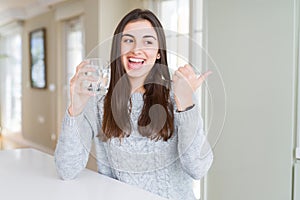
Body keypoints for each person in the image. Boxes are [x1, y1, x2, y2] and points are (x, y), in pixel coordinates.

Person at [54, 8, 213, 200]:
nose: (136, 49)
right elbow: (67, 169)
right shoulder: (98, 99)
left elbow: (198, 168)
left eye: (147, 41)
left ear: (158, 53)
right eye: (128, 40)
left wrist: (186, 104)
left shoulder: (178, 95)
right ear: (117, 49)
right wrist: (76, 107)